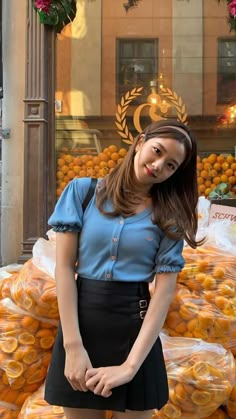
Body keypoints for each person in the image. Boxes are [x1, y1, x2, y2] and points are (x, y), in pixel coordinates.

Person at [45, 119, 201, 419]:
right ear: (140, 141)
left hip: (135, 329)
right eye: (156, 151)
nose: (158, 165)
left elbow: (164, 293)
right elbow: (64, 269)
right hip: (82, 326)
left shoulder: (168, 215)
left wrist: (130, 367)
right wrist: (73, 347)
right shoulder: (82, 192)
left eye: (171, 165)